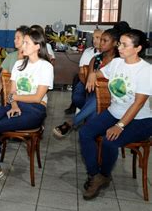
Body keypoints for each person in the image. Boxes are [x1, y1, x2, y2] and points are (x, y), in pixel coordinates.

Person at [0, 29, 53, 186]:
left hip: (35, 110)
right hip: (17, 106)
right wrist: (14, 104)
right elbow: (12, 91)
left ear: (37, 46)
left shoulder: (46, 66)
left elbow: (37, 97)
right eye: (23, 42)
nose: (23, 45)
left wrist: (14, 98)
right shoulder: (18, 65)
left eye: (26, 42)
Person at [79, 29, 151, 200]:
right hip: (114, 112)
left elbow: (139, 102)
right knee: (85, 133)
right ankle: (95, 174)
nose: (120, 47)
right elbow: (101, 72)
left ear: (138, 48)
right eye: (120, 43)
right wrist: (91, 74)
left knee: (108, 141)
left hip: (140, 118)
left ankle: (104, 174)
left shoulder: (146, 71)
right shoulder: (117, 63)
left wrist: (120, 125)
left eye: (125, 45)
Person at [53, 23, 128, 138]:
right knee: (95, 104)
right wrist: (92, 74)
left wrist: (94, 76)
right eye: (100, 40)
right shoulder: (96, 59)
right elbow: (89, 78)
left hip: (114, 97)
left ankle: (72, 122)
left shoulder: (120, 61)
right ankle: (89, 134)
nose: (100, 43)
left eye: (105, 41)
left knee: (95, 104)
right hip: (96, 94)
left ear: (115, 43)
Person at [64, 28, 102, 114]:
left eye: (98, 38)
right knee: (77, 98)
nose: (94, 40)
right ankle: (87, 111)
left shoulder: (109, 55)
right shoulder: (88, 52)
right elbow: (81, 72)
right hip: (86, 80)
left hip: (101, 84)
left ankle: (87, 113)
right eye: (93, 38)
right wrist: (86, 84)